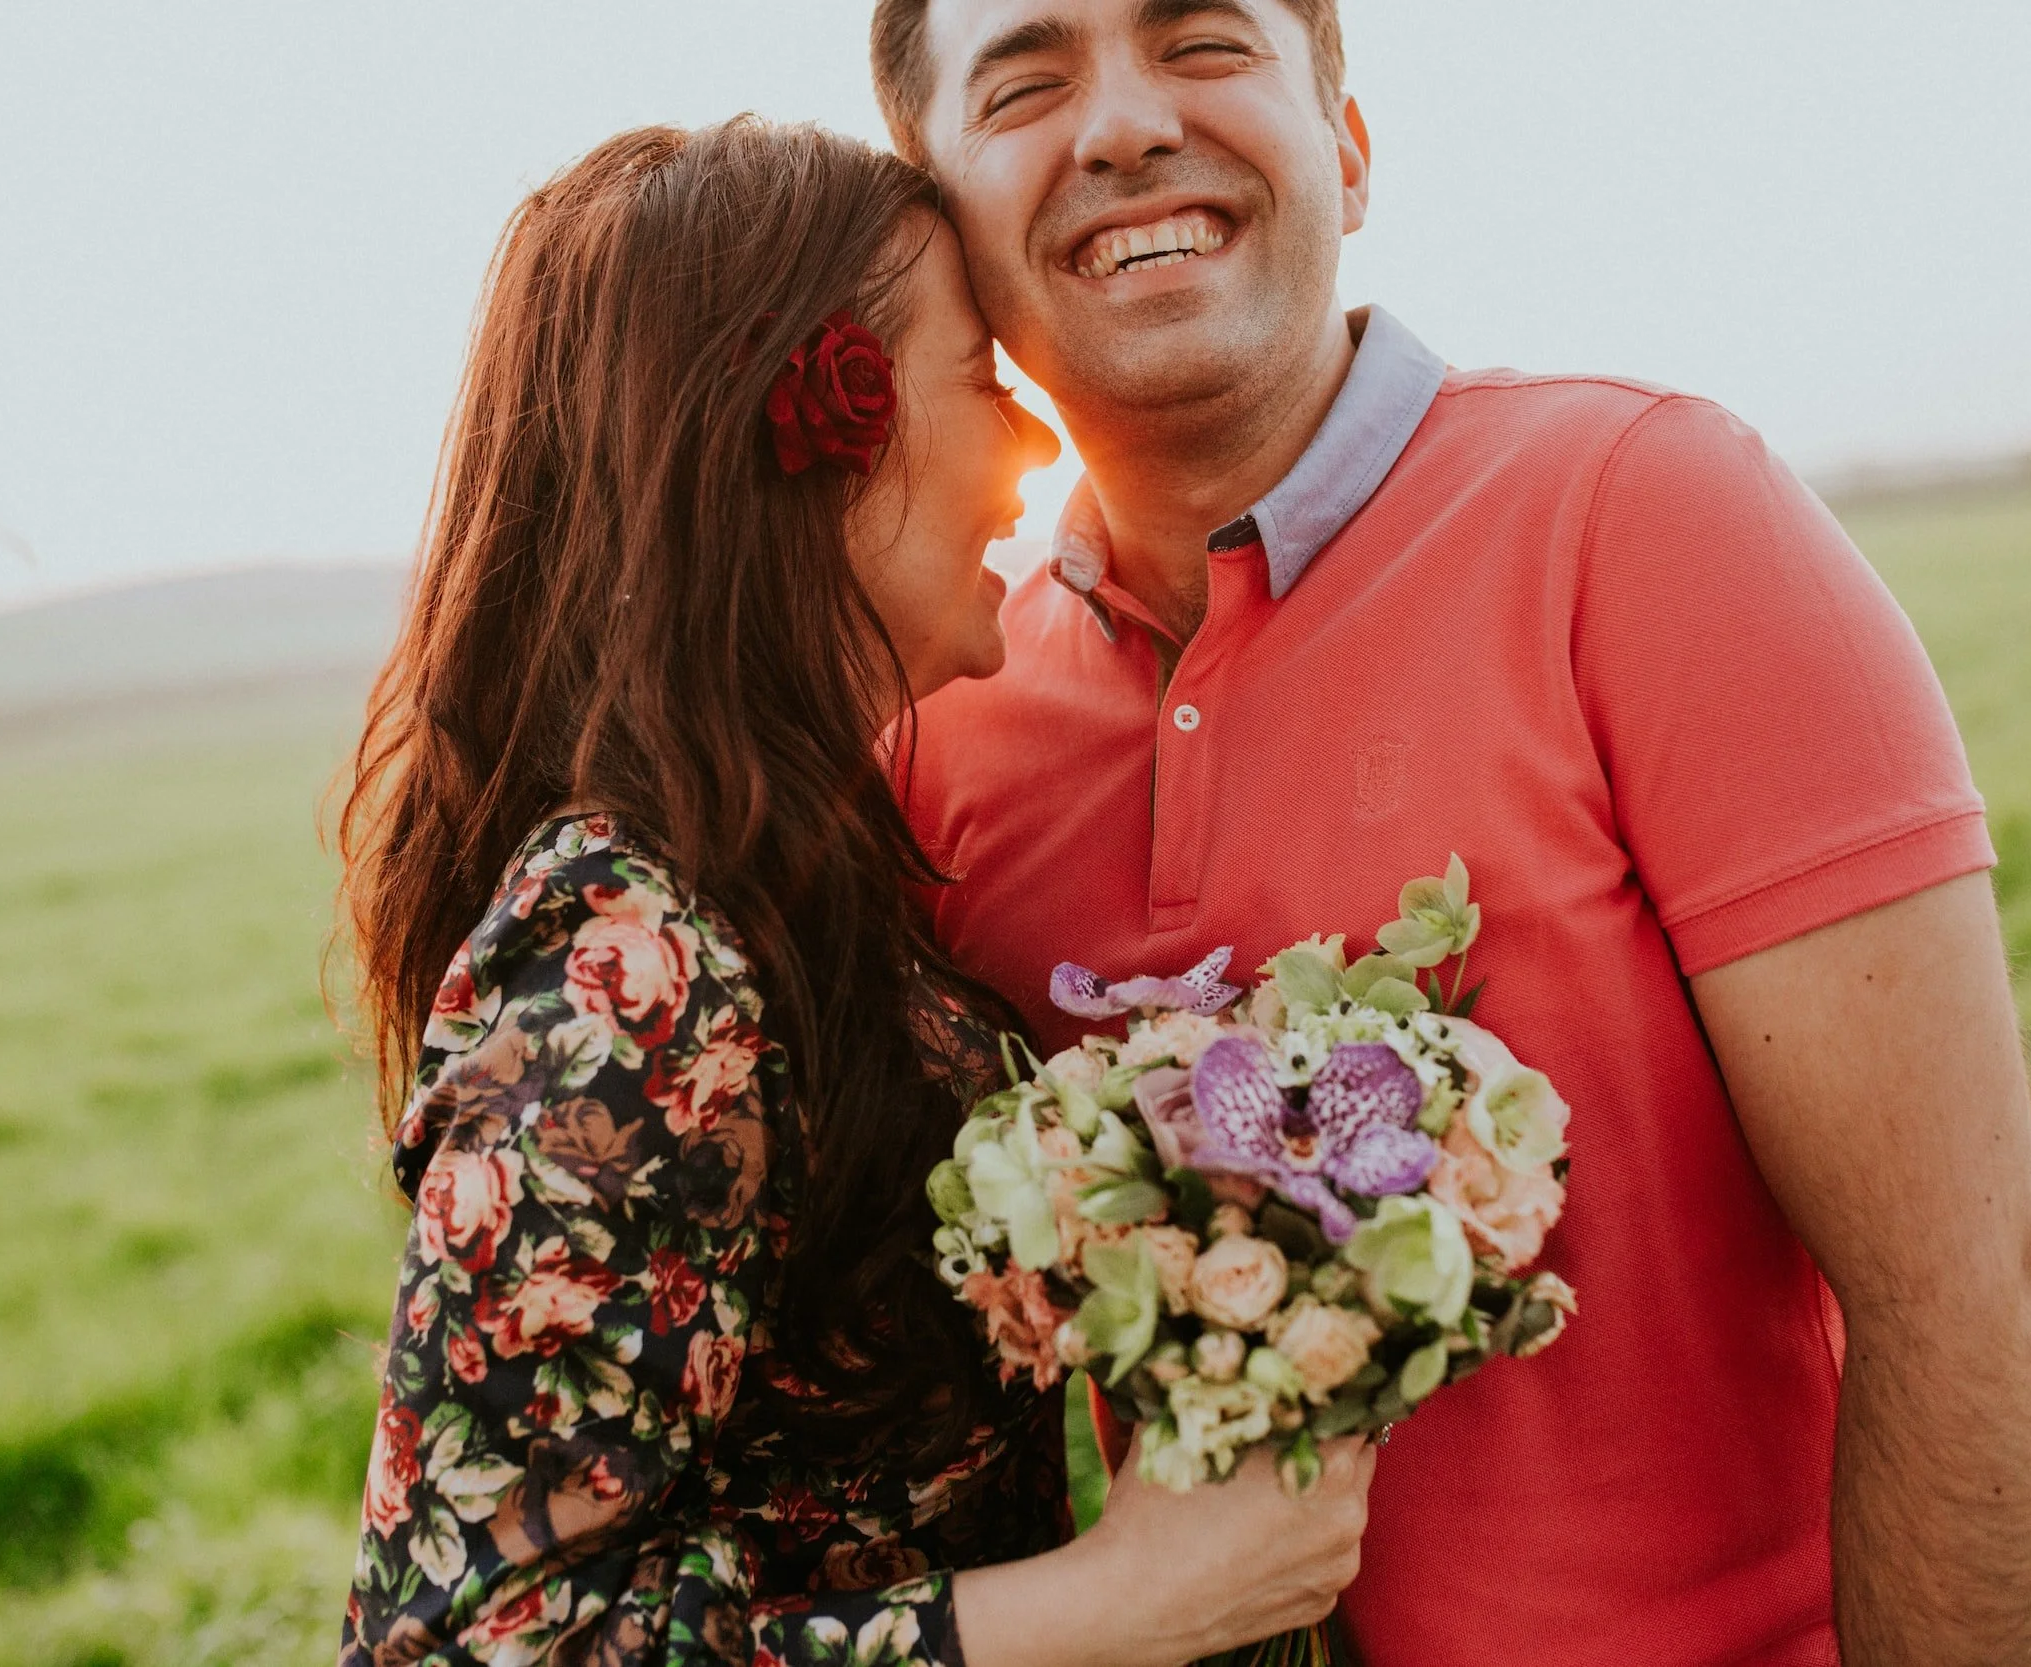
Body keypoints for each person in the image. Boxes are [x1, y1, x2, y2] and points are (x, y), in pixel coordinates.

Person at [872, 2, 2031, 1662]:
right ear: (936, 224)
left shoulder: (1649, 512)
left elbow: (1964, 1299)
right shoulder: (940, 727)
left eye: (1205, 43)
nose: (1124, 126)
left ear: (1349, 155)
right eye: (1027, 82)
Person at [333, 117, 1374, 1667]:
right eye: (977, 378)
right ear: (810, 431)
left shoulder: (786, 865)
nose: (1031, 442)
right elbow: (466, 1644)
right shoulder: (637, 961)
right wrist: (1122, 1602)